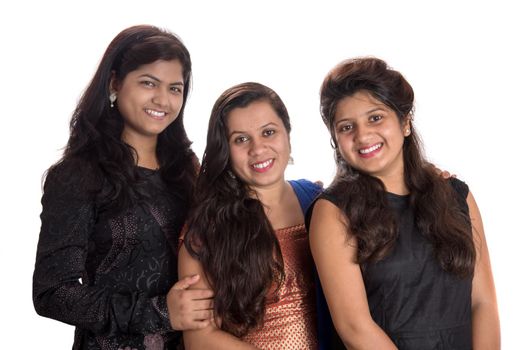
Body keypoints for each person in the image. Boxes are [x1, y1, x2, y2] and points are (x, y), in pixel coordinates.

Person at [33, 25, 213, 350]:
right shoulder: (80, 174)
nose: (163, 99)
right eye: (148, 83)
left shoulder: (186, 168)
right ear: (115, 82)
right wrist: (159, 312)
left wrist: (296, 195)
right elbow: (52, 293)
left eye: (175, 88)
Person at [309, 57, 500, 349]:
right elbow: (355, 328)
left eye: (375, 117)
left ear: (405, 122)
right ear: (335, 140)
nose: (363, 135)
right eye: (347, 127)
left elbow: (482, 302)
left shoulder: (457, 195)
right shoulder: (333, 212)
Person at [177, 82, 321, 349]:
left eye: (268, 132)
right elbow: (199, 339)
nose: (257, 149)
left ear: (287, 134)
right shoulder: (206, 230)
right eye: (241, 139)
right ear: (225, 150)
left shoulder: (319, 202)